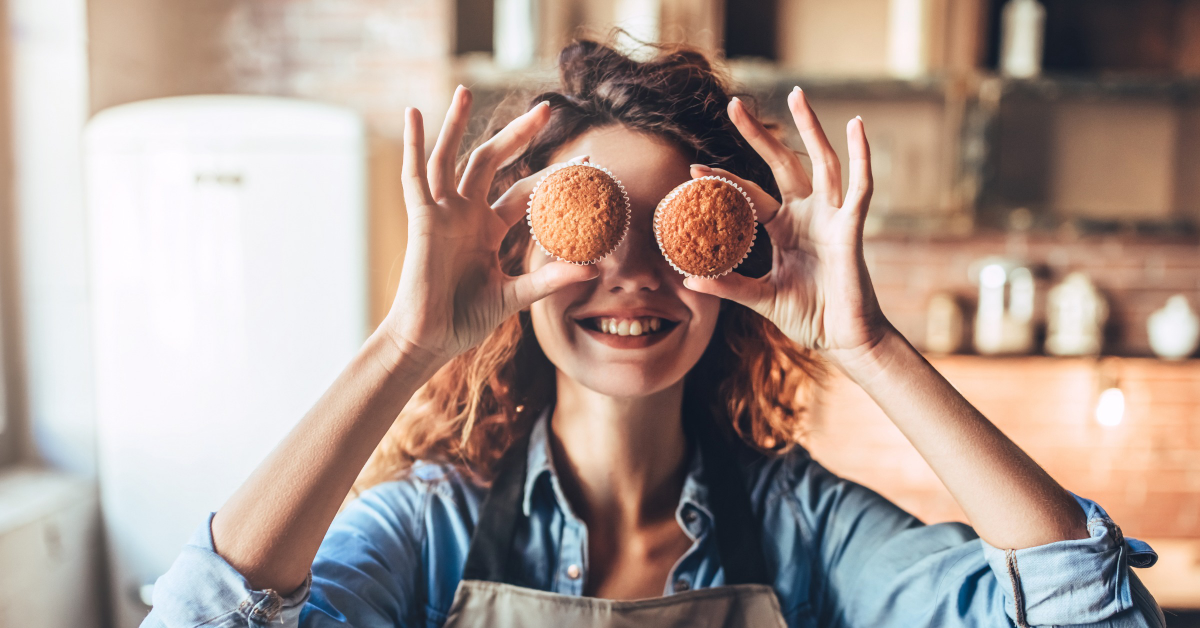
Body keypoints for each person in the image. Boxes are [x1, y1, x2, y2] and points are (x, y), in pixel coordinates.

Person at [144, 39, 1164, 628]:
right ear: (517, 261)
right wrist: (404, 345)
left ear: (732, 270)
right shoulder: (426, 534)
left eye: (676, 234)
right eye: (594, 231)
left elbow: (1094, 617)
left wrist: (868, 344)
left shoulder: (807, 532)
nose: (630, 273)